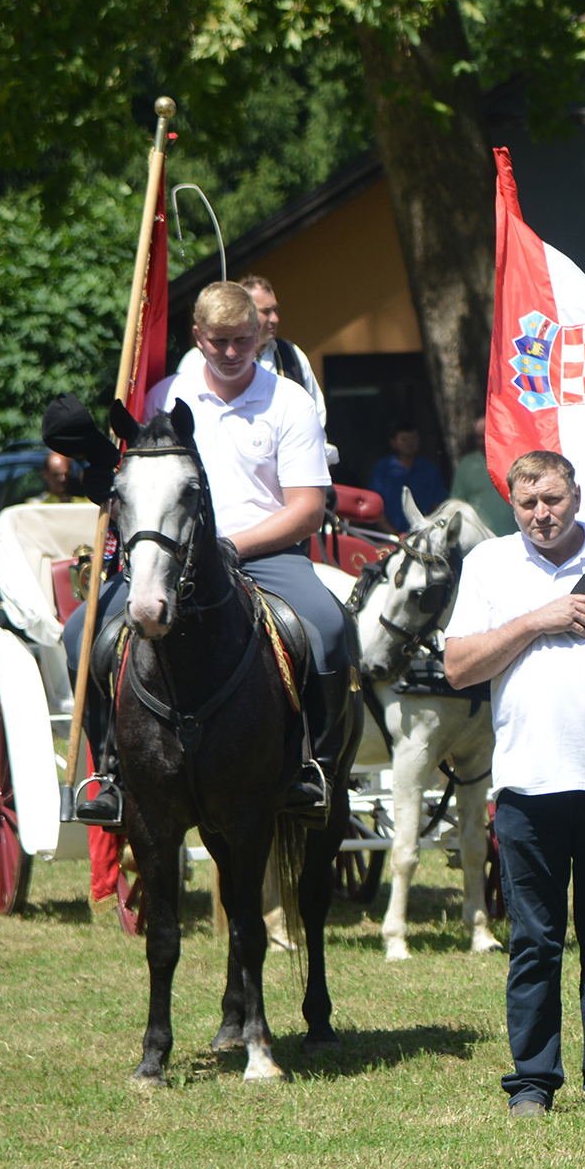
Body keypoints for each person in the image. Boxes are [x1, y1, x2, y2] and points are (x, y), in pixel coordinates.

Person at [443, 450, 585, 1115]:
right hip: (526, 786)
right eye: (528, 503)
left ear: (576, 494)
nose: (541, 514)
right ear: (511, 505)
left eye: (553, 499)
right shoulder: (489, 565)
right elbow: (458, 667)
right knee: (534, 943)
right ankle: (532, 1083)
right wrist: (535, 620)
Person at [63, 280, 349, 824]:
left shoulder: (290, 401)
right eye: (218, 341)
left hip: (265, 553)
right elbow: (138, 491)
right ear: (198, 335)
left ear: (260, 333)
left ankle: (316, 768)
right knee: (81, 632)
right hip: (166, 559)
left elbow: (309, 509)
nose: (232, 352)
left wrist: (229, 547)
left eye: (243, 339)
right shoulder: (164, 395)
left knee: (328, 627)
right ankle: (108, 773)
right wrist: (106, 482)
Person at [177, 274, 338, 465]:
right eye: (266, 311)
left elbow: (315, 421)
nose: (275, 319)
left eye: (275, 310)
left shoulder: (292, 356)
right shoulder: (196, 361)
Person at [369, 420, 448, 532]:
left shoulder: (430, 470)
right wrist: (395, 535)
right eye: (405, 439)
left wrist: (426, 530)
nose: (410, 443)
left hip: (424, 535)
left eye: (414, 439)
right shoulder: (381, 470)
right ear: (393, 442)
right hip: (389, 537)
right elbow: (375, 507)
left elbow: (438, 505)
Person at [448, 415, 519, 538]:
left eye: (485, 436)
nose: (481, 441)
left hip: (514, 538)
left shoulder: (515, 459)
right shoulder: (467, 464)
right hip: (478, 540)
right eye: (478, 438)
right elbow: (456, 504)